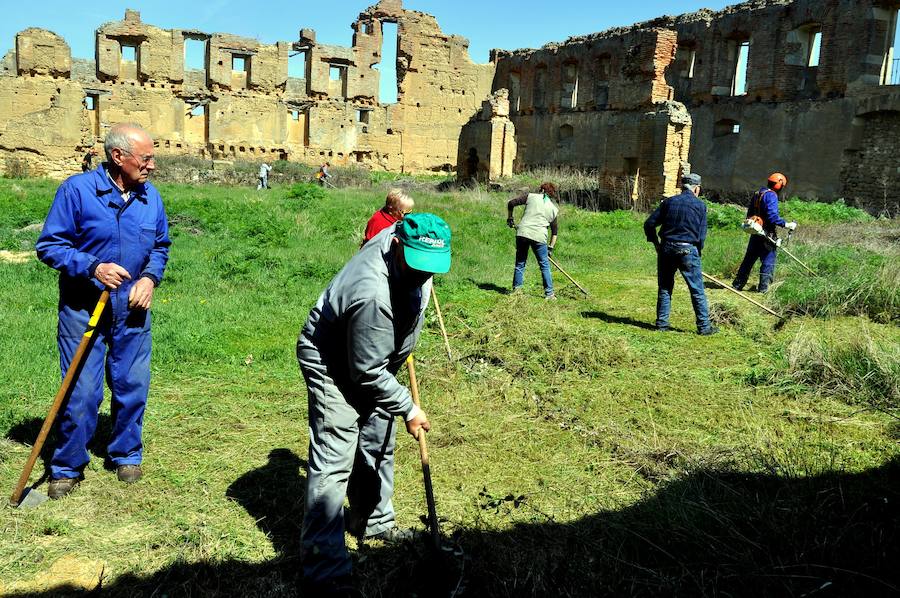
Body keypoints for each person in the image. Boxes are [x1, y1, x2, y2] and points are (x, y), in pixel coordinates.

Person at [296, 213, 451, 596]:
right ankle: (324, 571)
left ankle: (374, 522)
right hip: (333, 360)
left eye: (430, 268)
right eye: (416, 266)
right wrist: (408, 408)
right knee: (334, 458)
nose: (423, 275)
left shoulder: (404, 242)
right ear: (396, 246)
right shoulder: (372, 293)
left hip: (375, 358)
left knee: (379, 440)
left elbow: (417, 277)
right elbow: (365, 372)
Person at [35, 123, 171, 498]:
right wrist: (93, 267)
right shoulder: (77, 191)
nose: (152, 165)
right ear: (118, 156)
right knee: (81, 393)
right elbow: (49, 246)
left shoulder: (150, 198)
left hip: (132, 311)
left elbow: (160, 246)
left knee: (132, 386)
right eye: (146, 158)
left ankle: (126, 453)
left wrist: (149, 279)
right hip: (84, 309)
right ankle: (67, 466)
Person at [643, 173, 717, 335]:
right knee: (697, 289)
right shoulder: (700, 206)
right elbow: (701, 236)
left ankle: (662, 324)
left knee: (665, 287)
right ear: (697, 189)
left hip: (667, 248)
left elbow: (649, 224)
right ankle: (704, 327)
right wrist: (697, 253)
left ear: (682, 187)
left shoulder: (669, 202)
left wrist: (656, 243)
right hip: (688, 250)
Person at [731, 172, 797, 293]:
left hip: (755, 230)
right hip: (767, 233)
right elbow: (772, 217)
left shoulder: (758, 193)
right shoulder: (771, 196)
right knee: (768, 260)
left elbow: (749, 214)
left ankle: (737, 284)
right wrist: (786, 224)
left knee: (749, 259)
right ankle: (764, 288)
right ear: (779, 185)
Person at [507, 182, 559, 299]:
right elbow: (554, 232)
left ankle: (517, 290)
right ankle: (549, 294)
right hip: (539, 237)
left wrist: (510, 218)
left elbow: (511, 203)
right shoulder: (553, 209)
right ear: (551, 194)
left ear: (542, 190)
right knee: (544, 265)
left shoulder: (530, 197)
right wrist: (550, 248)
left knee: (520, 263)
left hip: (523, 233)